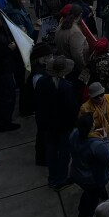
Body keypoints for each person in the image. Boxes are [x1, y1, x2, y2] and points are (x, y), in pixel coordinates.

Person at [35, 55, 80, 190]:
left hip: (47, 126)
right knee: (64, 153)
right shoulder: (66, 88)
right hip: (64, 127)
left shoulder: (42, 82)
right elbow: (72, 109)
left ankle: (52, 178)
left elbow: (37, 104)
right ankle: (61, 179)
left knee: (52, 151)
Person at [69, 112, 109, 217]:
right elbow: (108, 156)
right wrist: (105, 139)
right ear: (91, 126)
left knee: (89, 193)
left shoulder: (74, 134)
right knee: (91, 198)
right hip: (91, 179)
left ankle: (86, 206)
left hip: (76, 173)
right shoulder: (95, 145)